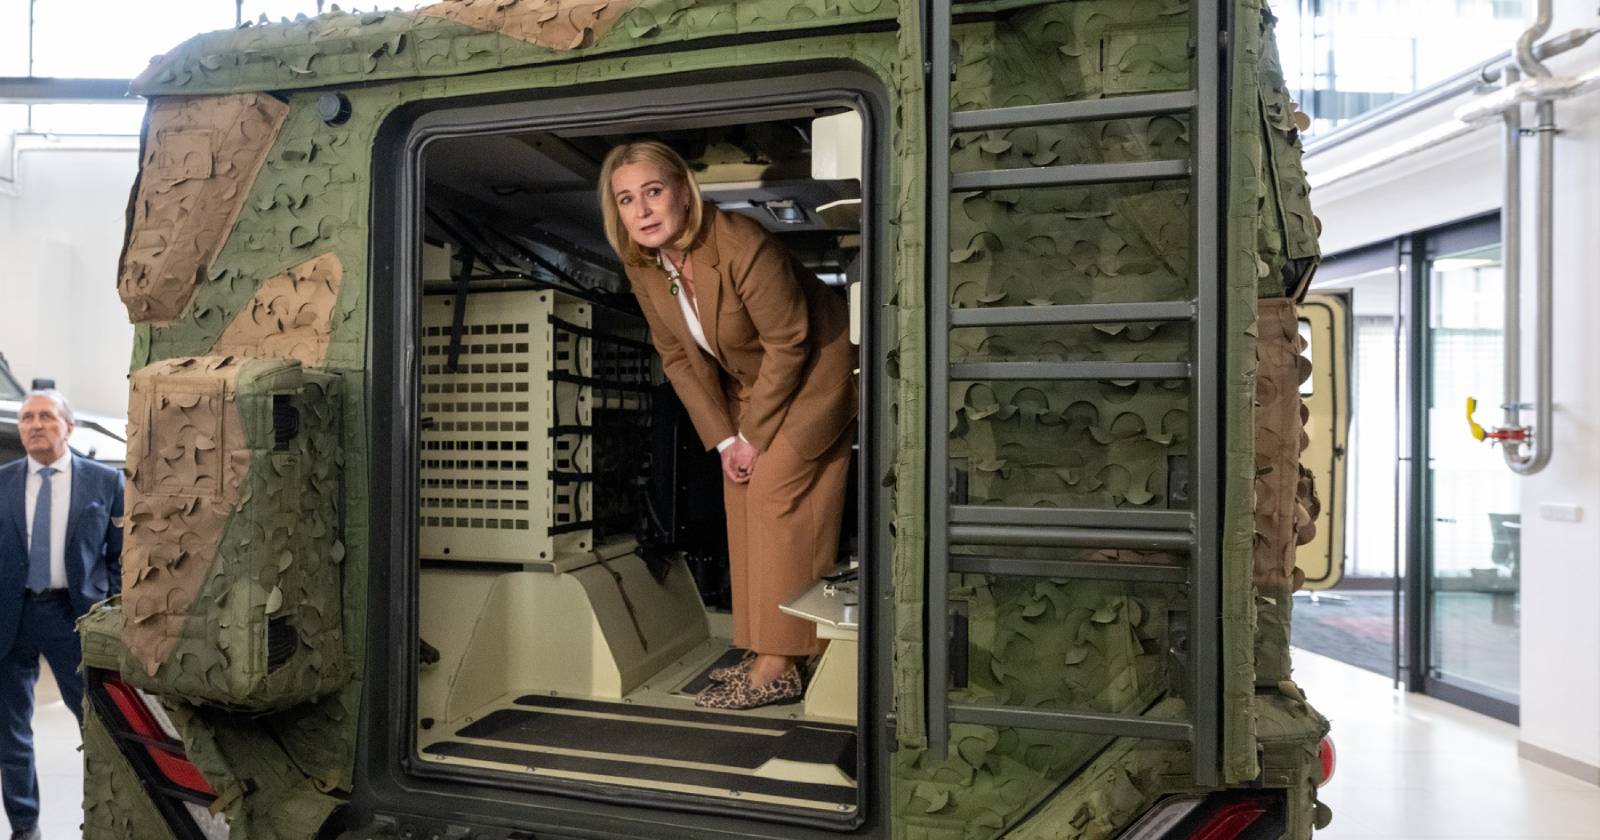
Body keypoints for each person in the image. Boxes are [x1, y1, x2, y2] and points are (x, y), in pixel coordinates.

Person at [600, 140, 857, 710]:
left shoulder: (742, 245)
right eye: (626, 199)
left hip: (818, 371)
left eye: (653, 191)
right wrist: (724, 442)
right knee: (740, 492)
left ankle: (781, 664)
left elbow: (791, 343)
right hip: (757, 383)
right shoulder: (645, 265)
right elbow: (676, 358)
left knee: (775, 496)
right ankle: (764, 646)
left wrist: (754, 438)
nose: (642, 210)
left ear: (683, 192)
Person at [0, 390, 123, 840]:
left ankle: (110, 817)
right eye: (27, 418)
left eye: (46, 417)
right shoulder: (3, 481)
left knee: (99, 724)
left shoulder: (104, 482)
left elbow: (121, 556)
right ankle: (25, 827)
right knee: (10, 732)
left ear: (68, 426)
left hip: (73, 617)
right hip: (10, 617)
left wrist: (108, 604)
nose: (34, 425)